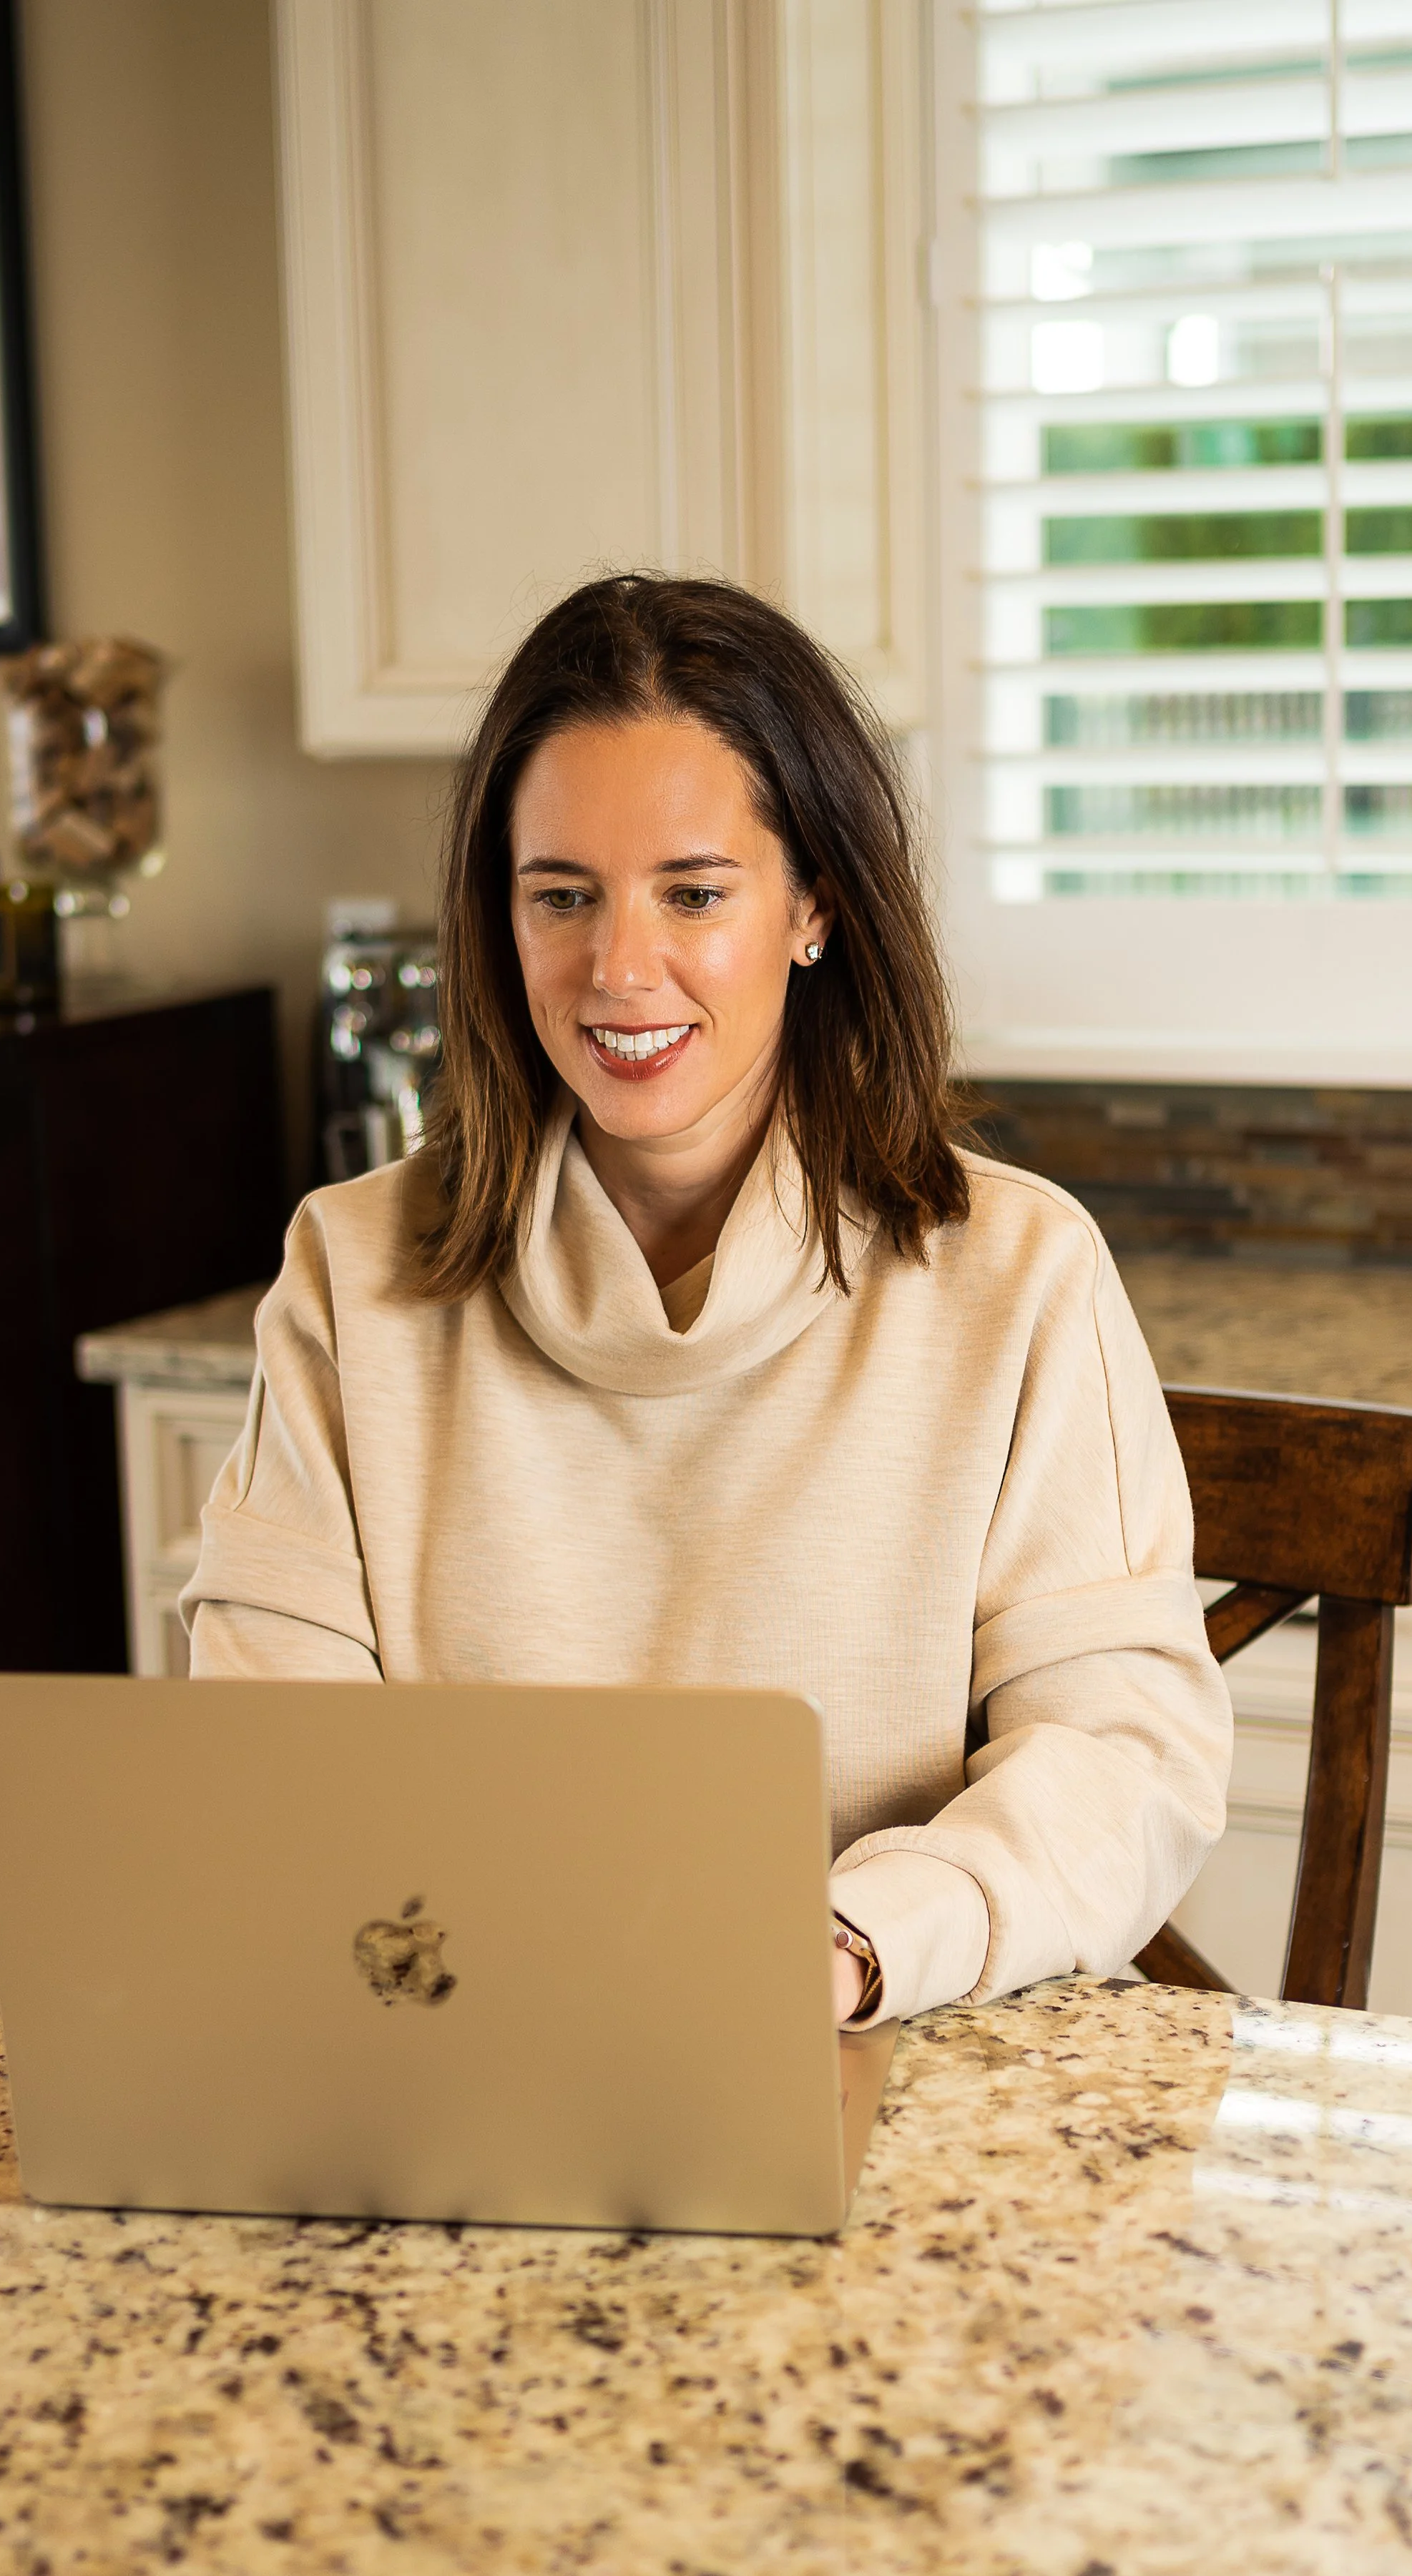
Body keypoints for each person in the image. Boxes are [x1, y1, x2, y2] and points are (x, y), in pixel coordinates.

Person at [182, 574, 1231, 2027]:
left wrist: (854, 1944)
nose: (619, 969)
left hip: (867, 2046)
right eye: (562, 896)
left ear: (812, 906)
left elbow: (1120, 1757)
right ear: (498, 918)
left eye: (692, 892)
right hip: (454, 2038)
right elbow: (268, 1755)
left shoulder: (1016, 1273)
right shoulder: (348, 1274)